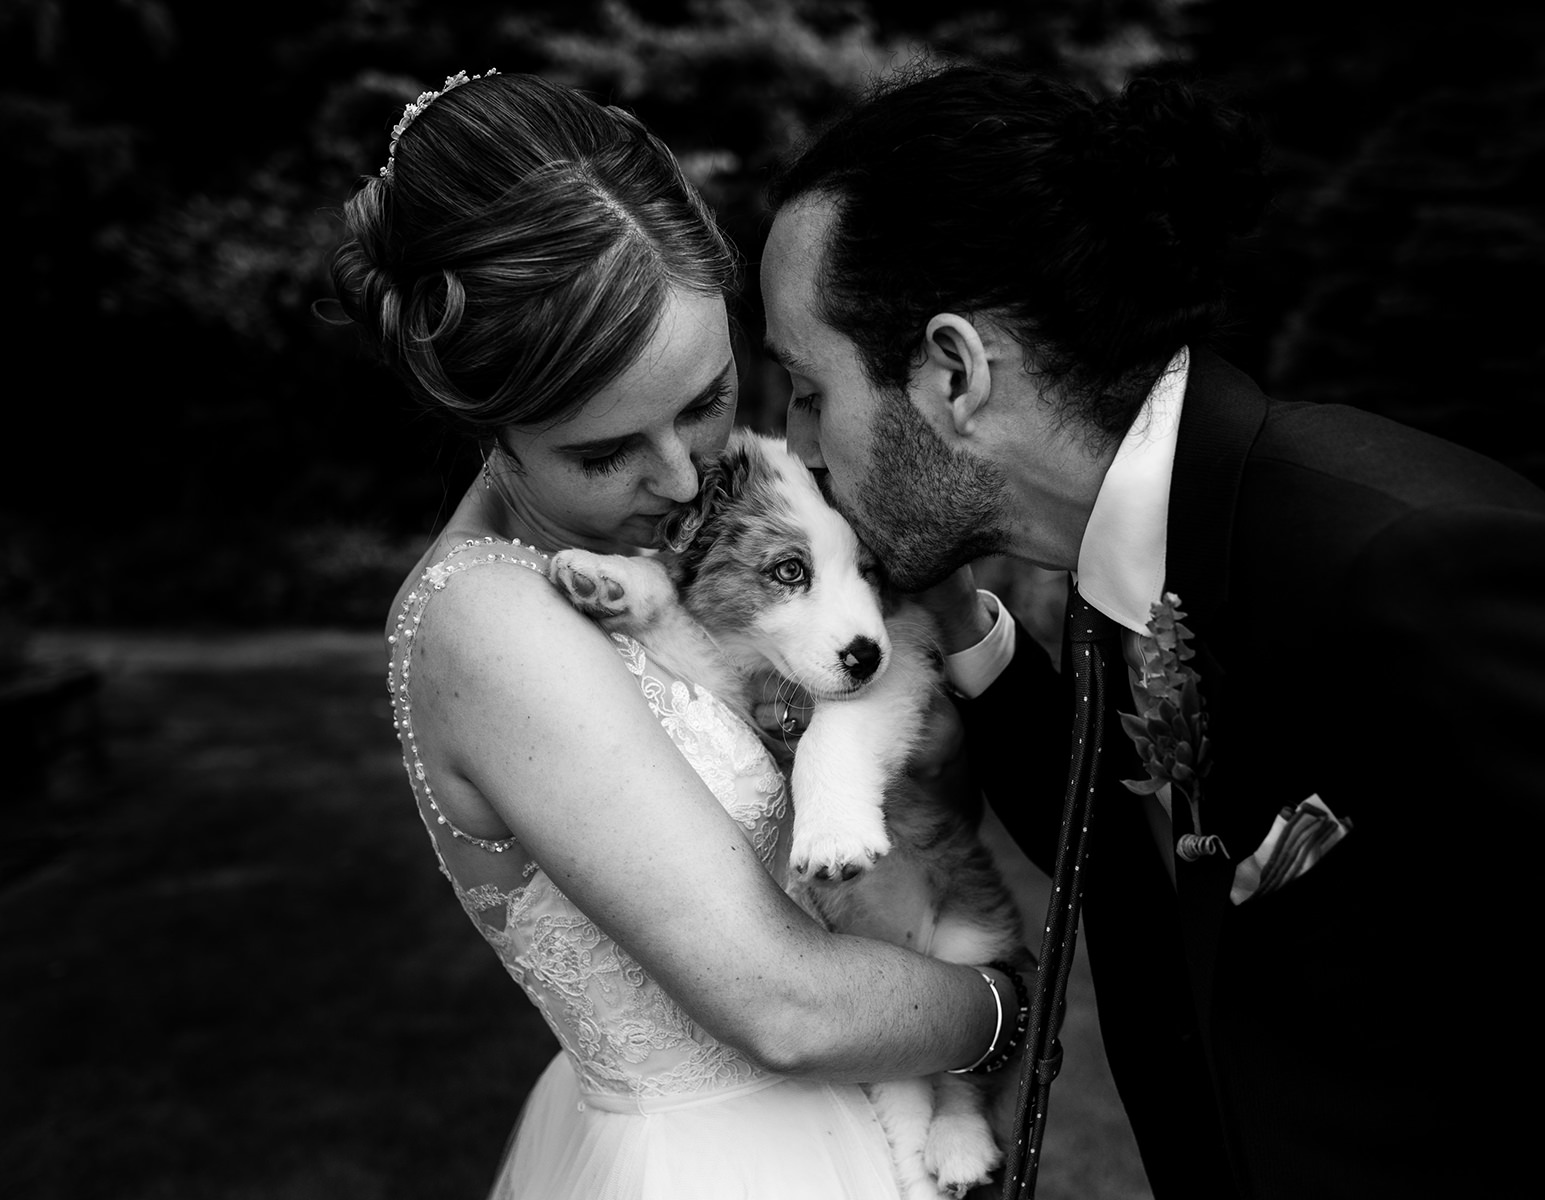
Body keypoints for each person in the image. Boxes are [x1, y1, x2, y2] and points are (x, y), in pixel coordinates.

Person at [761, 62, 1545, 1197]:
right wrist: (961, 625)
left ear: (955, 371)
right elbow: (1125, 852)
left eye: (810, 391)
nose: (801, 447)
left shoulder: (1419, 569)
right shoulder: (1147, 554)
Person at [331, 70, 1025, 1200]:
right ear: (487, 426)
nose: (686, 472)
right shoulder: (491, 624)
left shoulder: (705, 525)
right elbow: (781, 1003)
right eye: (605, 453)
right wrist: (1000, 1012)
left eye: (706, 399)